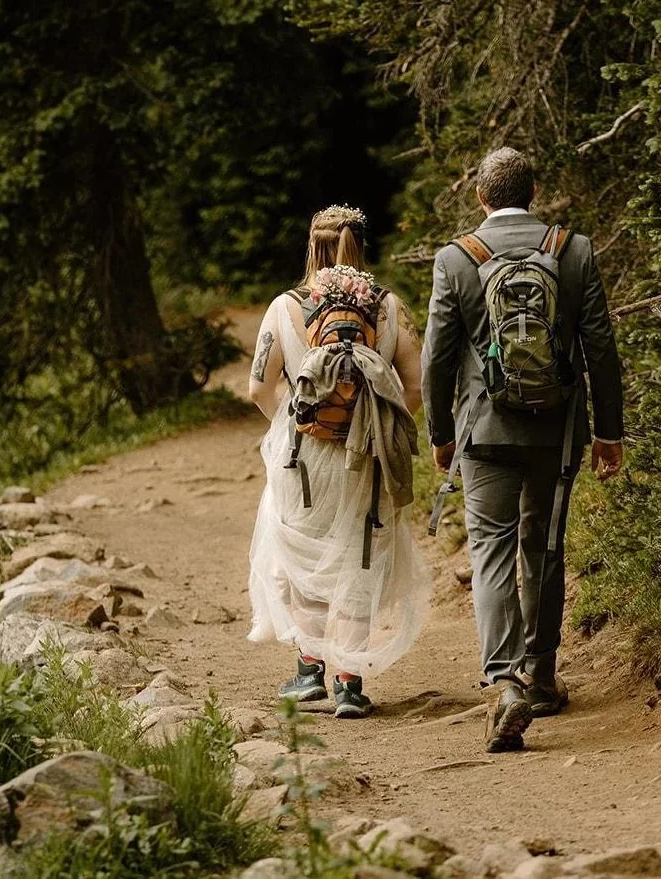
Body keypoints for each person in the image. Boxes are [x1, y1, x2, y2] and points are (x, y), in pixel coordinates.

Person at [421, 147, 624, 752]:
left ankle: (505, 682)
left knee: (490, 550)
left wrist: (440, 433)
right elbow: (600, 347)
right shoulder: (574, 251)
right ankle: (541, 675)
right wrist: (609, 431)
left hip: (483, 430)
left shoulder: (457, 259)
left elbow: (436, 356)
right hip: (557, 429)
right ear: (533, 194)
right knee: (545, 545)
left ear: (481, 198)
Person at [247, 205, 430, 718]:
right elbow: (415, 384)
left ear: (312, 244)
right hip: (366, 455)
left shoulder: (284, 307)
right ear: (362, 245)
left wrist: (290, 422)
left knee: (305, 556)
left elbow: (259, 385)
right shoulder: (388, 306)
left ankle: (309, 674)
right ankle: (349, 681)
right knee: (360, 555)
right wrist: (379, 424)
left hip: (302, 458)